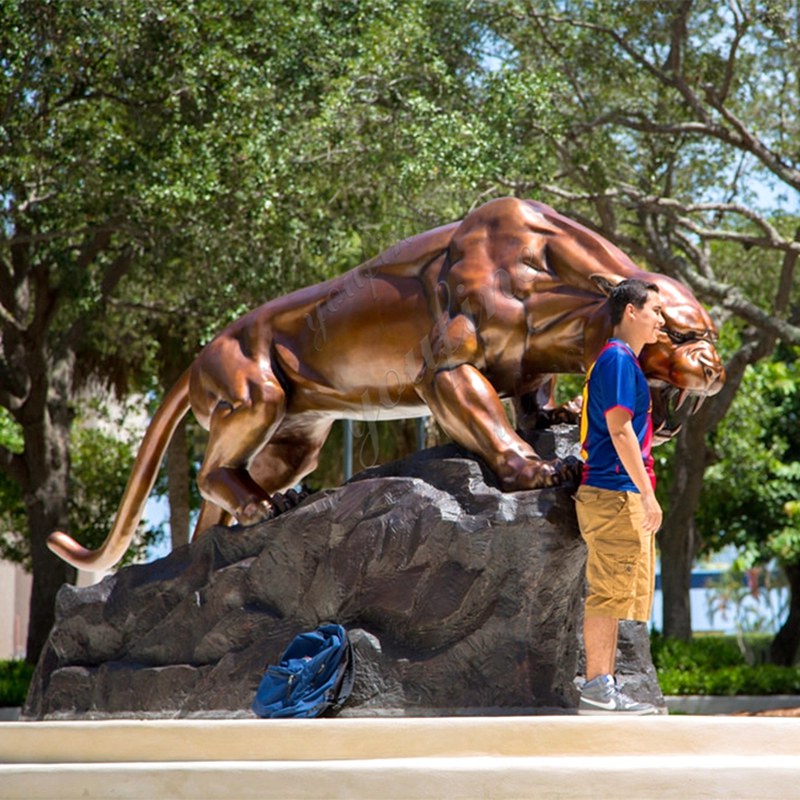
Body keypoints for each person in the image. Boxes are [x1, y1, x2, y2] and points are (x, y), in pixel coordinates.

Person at [575, 279, 665, 715]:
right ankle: (597, 684)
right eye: (655, 312)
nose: (660, 322)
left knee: (614, 592)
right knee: (608, 593)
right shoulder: (617, 358)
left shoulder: (620, 361)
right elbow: (619, 429)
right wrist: (648, 495)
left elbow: (627, 430)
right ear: (631, 311)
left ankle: (603, 684)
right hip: (614, 493)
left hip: (614, 490)